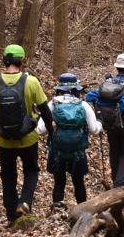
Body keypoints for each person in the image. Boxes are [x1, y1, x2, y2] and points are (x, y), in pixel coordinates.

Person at [0, 44, 53, 225]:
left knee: (8, 176)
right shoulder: (31, 81)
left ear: (5, 60)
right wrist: (51, 132)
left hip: (4, 139)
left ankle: (12, 218)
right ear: (22, 61)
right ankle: (24, 202)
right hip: (28, 138)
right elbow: (45, 111)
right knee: (31, 171)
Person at [36, 73, 102, 210]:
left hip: (57, 151)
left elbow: (40, 129)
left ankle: (56, 211)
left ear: (59, 88)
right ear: (75, 88)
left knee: (59, 182)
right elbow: (94, 129)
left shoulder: (52, 104)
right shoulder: (83, 105)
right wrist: (100, 123)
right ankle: (83, 211)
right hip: (78, 152)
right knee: (79, 182)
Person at [85, 53, 124, 187]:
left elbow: (91, 97)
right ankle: (119, 184)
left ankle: (115, 182)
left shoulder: (107, 83)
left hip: (110, 124)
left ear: (117, 67)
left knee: (114, 152)